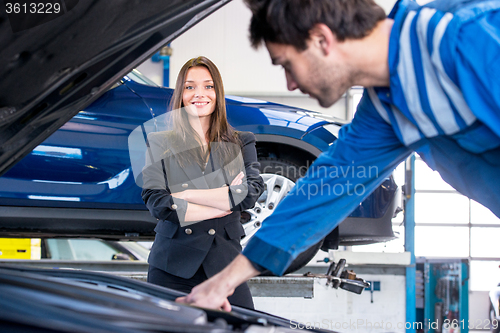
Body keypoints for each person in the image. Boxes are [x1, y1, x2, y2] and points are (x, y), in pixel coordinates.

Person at [175, 0, 500, 311]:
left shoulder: (468, 37)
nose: (289, 84)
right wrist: (222, 283)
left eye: (287, 64)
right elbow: (324, 190)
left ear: (321, 39)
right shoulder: (386, 108)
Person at [141, 56, 264, 309]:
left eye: (208, 86)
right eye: (190, 87)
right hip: (172, 266)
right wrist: (224, 199)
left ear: (218, 92)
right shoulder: (159, 142)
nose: (200, 94)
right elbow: (158, 203)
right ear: (181, 94)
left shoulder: (241, 141)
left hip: (225, 266)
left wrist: (186, 195)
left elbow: (250, 193)